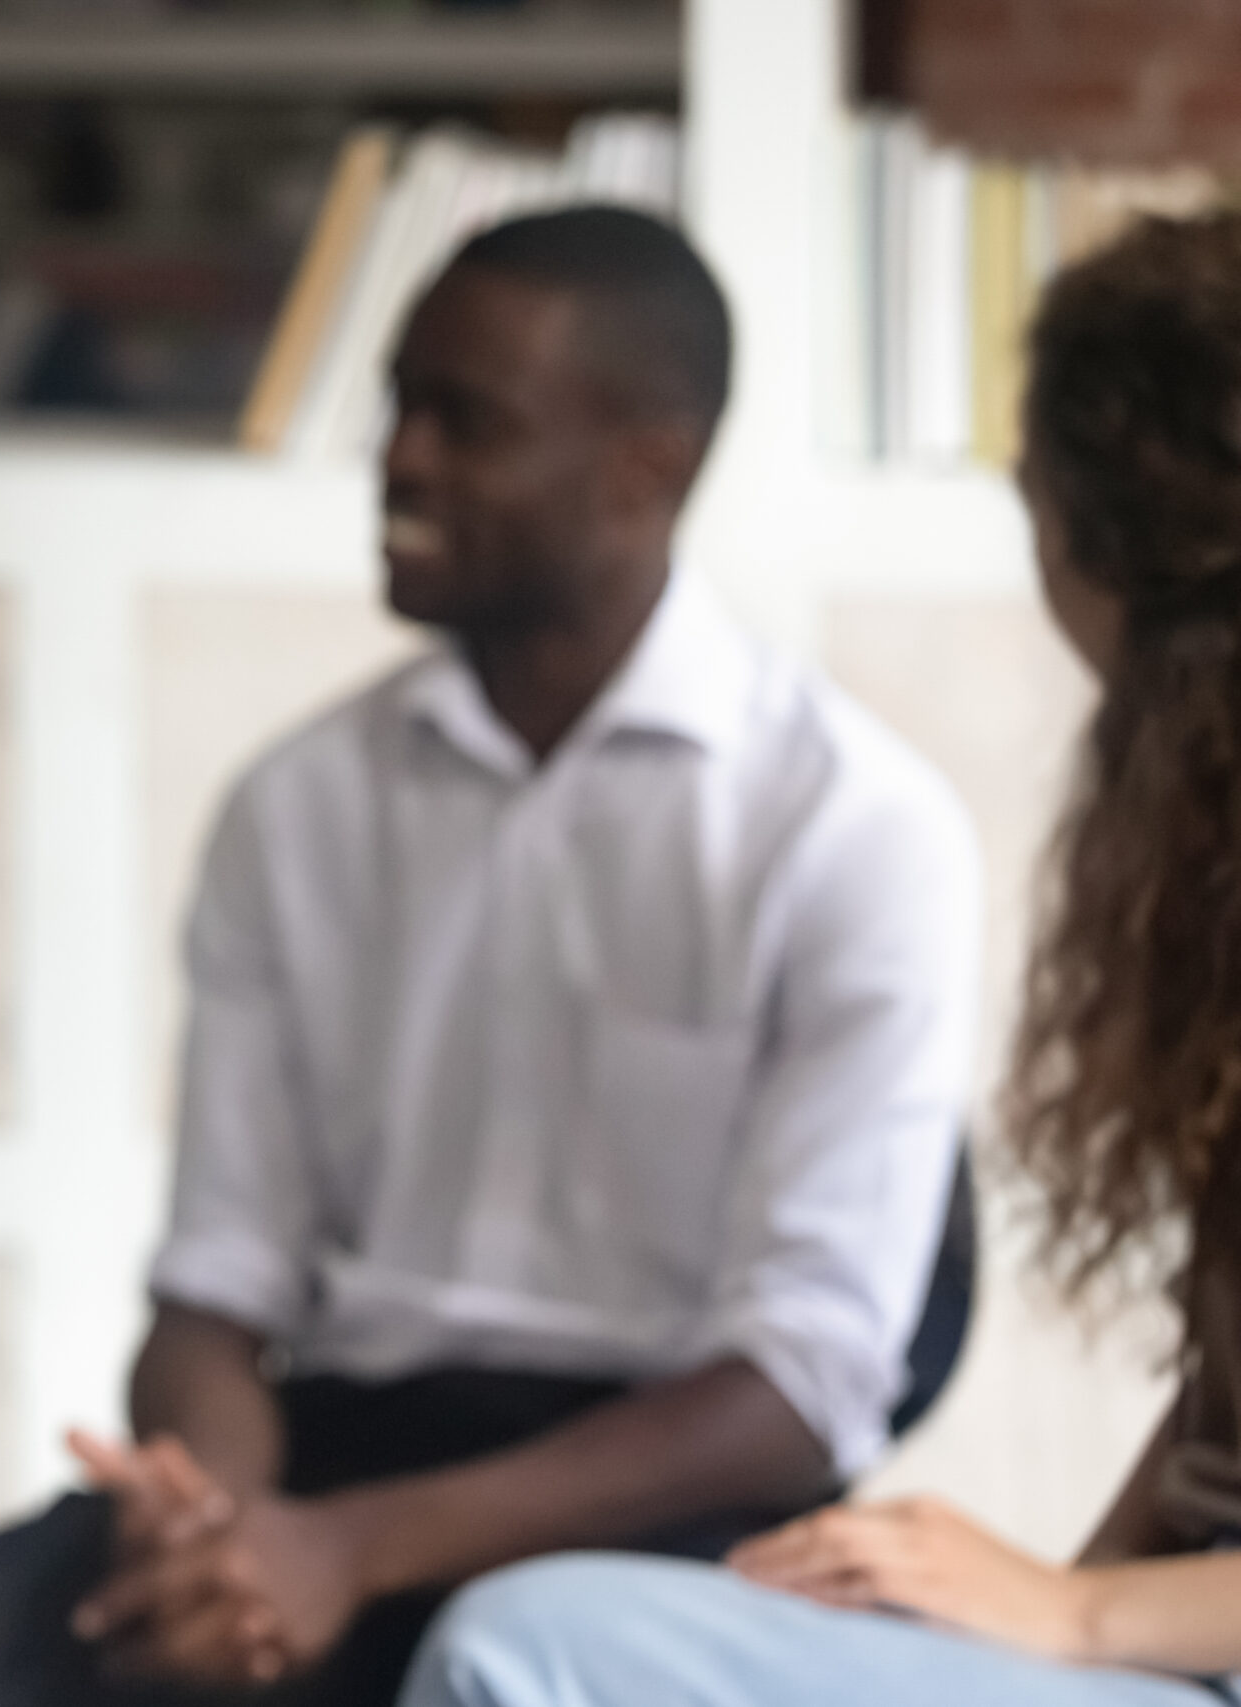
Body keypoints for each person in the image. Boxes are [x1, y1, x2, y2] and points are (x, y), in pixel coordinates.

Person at [0, 205, 982, 1704]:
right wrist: (229, 1528)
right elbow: (216, 1295)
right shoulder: (299, 807)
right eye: (399, 404)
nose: (397, 460)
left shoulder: (852, 830)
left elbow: (799, 1393)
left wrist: (350, 1554)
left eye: (468, 421)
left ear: (651, 464)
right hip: (331, 1458)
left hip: (667, 1511)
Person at [395, 210, 1241, 1707]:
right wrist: (1039, 1601)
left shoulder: (847, 811)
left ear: (1100, 533)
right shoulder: (1204, 889)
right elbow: (1217, 1435)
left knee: (528, 1651)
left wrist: (1078, 1619)